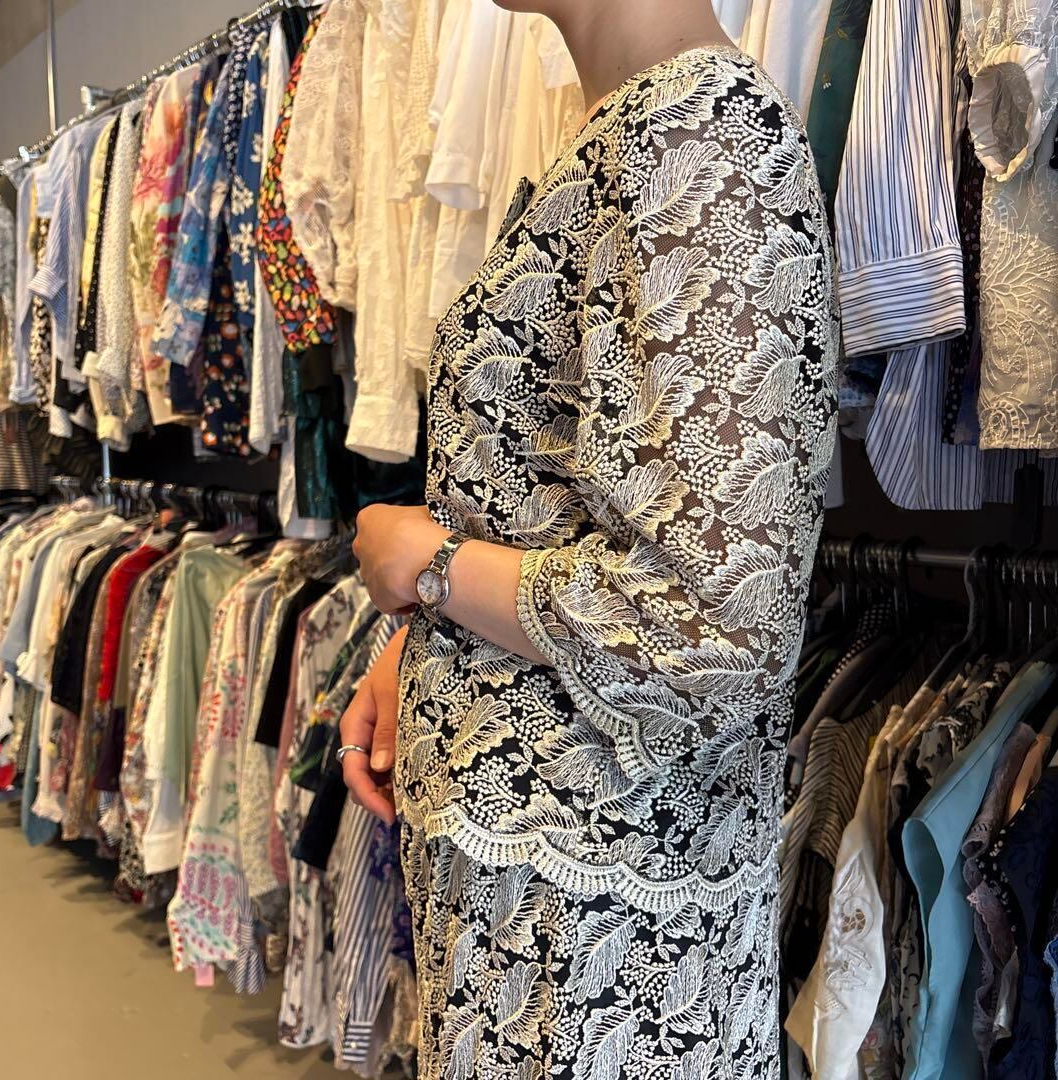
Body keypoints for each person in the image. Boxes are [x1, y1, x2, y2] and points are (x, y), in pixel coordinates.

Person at [342, 0, 839, 1075]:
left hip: (598, 949)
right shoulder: (627, 127)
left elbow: (718, 625)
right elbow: (560, 511)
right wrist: (423, 637)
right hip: (538, 918)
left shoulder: (703, 134)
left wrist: (433, 570)